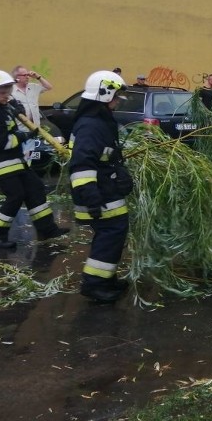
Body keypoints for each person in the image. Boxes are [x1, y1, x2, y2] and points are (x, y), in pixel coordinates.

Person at [0, 70, 69, 249]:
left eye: (7, 91)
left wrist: (16, 111)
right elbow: (3, 142)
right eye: (2, 93)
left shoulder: (0, 108)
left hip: (13, 160)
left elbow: (10, 124)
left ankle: (47, 229)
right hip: (0, 163)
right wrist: (25, 136)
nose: (6, 96)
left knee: (35, 188)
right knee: (15, 197)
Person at [68, 70, 133, 303]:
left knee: (113, 233)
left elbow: (107, 157)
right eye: (115, 97)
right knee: (111, 233)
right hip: (98, 194)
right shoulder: (91, 126)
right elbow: (82, 165)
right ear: (103, 95)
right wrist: (91, 197)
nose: (117, 102)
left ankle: (105, 278)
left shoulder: (100, 121)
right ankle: (94, 284)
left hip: (107, 189)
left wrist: (122, 174)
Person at [10, 65, 52, 129]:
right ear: (17, 77)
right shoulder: (10, 91)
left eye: (28, 75)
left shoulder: (33, 87)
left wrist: (38, 77)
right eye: (25, 75)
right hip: (21, 128)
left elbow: (49, 87)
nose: (28, 77)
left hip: (36, 127)